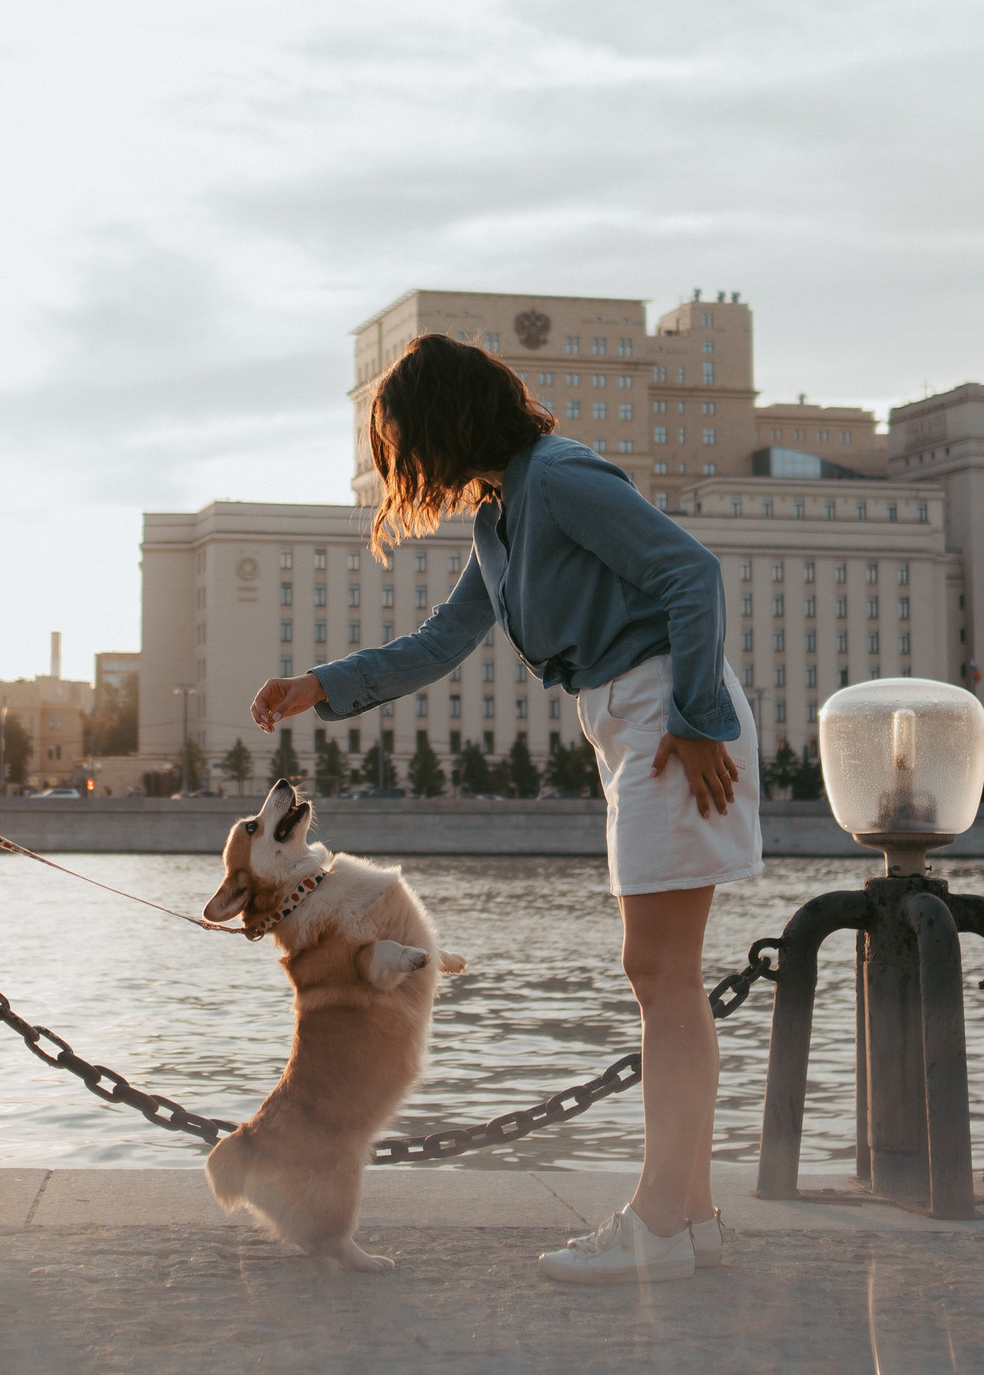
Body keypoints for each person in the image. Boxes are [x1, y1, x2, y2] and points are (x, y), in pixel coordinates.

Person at [249, 333, 760, 1286]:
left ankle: (660, 1221)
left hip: (666, 711)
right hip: (633, 718)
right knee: (667, 974)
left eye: (403, 438)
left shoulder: (559, 479)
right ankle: (687, 1219)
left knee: (660, 972)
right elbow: (442, 642)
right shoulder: (502, 517)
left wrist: (695, 717)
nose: (402, 463)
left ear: (446, 421)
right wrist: (319, 684)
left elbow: (691, 574)